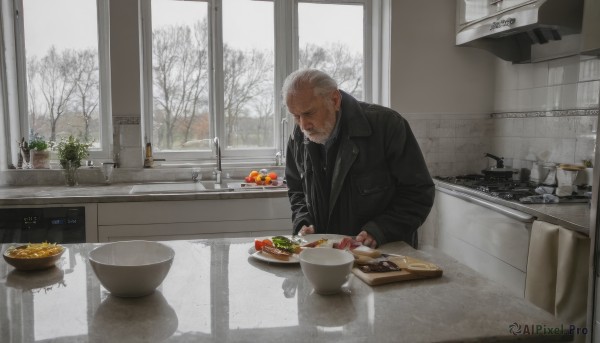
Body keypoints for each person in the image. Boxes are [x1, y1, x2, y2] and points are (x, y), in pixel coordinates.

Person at [282, 69, 435, 248]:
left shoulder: (387, 125)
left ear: (334, 100)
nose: (303, 125)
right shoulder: (299, 136)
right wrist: (303, 221)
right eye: (295, 116)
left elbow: (418, 193)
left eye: (309, 113)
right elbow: (297, 190)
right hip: (326, 255)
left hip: (383, 254)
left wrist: (380, 230)